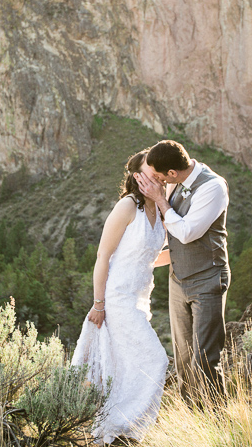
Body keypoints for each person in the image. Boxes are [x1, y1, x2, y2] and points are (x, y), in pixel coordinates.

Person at [71, 150, 171, 444]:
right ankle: (124, 424)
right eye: (148, 170)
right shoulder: (127, 207)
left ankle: (119, 428)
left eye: (157, 172)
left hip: (140, 300)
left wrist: (184, 256)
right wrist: (99, 303)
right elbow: (103, 257)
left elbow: (148, 258)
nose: (155, 174)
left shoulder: (158, 208)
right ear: (136, 175)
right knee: (156, 360)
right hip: (117, 300)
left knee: (127, 364)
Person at [134, 140, 230, 402]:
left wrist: (161, 201)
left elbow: (187, 232)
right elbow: (170, 234)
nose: (158, 183)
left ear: (172, 174)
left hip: (208, 278)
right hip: (179, 279)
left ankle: (215, 419)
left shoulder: (213, 187)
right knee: (184, 355)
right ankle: (191, 416)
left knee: (206, 357)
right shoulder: (175, 182)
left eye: (159, 177)